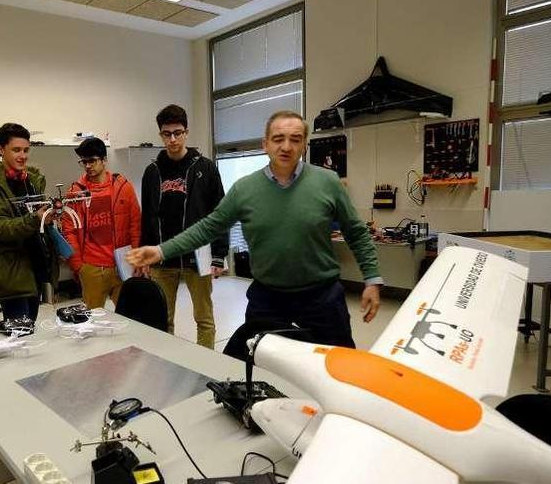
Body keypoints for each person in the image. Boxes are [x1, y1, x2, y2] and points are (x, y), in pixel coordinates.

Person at [128, 110, 382, 348]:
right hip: (268, 298)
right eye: (278, 139)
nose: (286, 146)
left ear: (305, 144)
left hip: (322, 297)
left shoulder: (327, 182)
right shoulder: (245, 189)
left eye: (295, 139)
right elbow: (208, 227)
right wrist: (161, 251)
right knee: (257, 369)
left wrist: (371, 279)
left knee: (337, 366)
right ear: (265, 144)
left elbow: (356, 232)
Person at [139, 104, 228, 349]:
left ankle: (206, 366)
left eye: (178, 132)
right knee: (162, 319)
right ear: (160, 135)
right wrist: (145, 254)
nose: (173, 139)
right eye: (167, 134)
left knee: (204, 319)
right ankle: (167, 365)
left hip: (198, 256)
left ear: (186, 132)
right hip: (161, 257)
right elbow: (147, 216)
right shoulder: (152, 172)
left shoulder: (206, 168)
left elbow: (220, 212)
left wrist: (219, 255)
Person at [0, 123, 58, 330]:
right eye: (16, 150)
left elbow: (38, 220)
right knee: (19, 336)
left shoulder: (32, 181)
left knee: (30, 330)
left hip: (34, 269)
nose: (23, 156)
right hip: (12, 274)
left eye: (26, 150)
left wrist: (48, 217)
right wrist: (34, 219)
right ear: (0, 149)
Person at [62, 137, 141, 309]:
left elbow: (135, 224)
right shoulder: (75, 192)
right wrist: (78, 265)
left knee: (130, 317)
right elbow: (69, 231)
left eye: (92, 160)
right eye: (84, 161)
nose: (88, 166)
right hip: (91, 268)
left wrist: (136, 258)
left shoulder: (123, 187)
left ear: (104, 160)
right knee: (92, 323)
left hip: (122, 265)